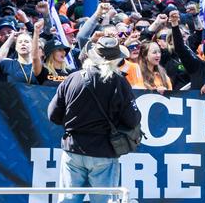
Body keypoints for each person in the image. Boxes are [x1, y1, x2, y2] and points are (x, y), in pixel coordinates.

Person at [48, 37, 141, 203]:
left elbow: (53, 115)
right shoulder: (119, 82)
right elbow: (132, 120)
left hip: (73, 148)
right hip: (103, 151)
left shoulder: (72, 78)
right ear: (116, 60)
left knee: (68, 200)